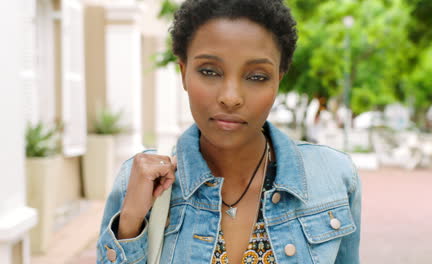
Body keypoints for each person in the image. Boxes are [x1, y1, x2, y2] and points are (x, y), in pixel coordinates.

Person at [97, 0, 361, 263]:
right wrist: (130, 225)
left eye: (257, 76)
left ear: (278, 79)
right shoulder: (140, 181)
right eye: (209, 71)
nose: (231, 98)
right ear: (183, 73)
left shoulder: (333, 177)